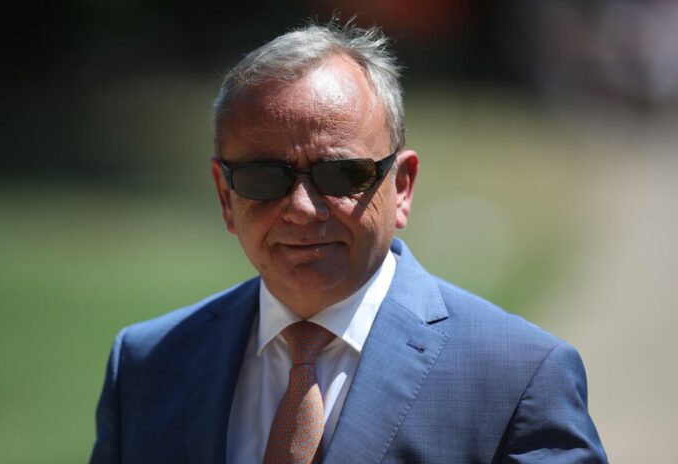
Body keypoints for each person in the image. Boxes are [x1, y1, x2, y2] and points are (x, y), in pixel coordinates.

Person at [90, 22, 607, 464]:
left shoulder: (519, 378)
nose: (301, 208)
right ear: (226, 197)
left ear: (402, 187)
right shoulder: (147, 365)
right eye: (263, 177)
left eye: (341, 174)